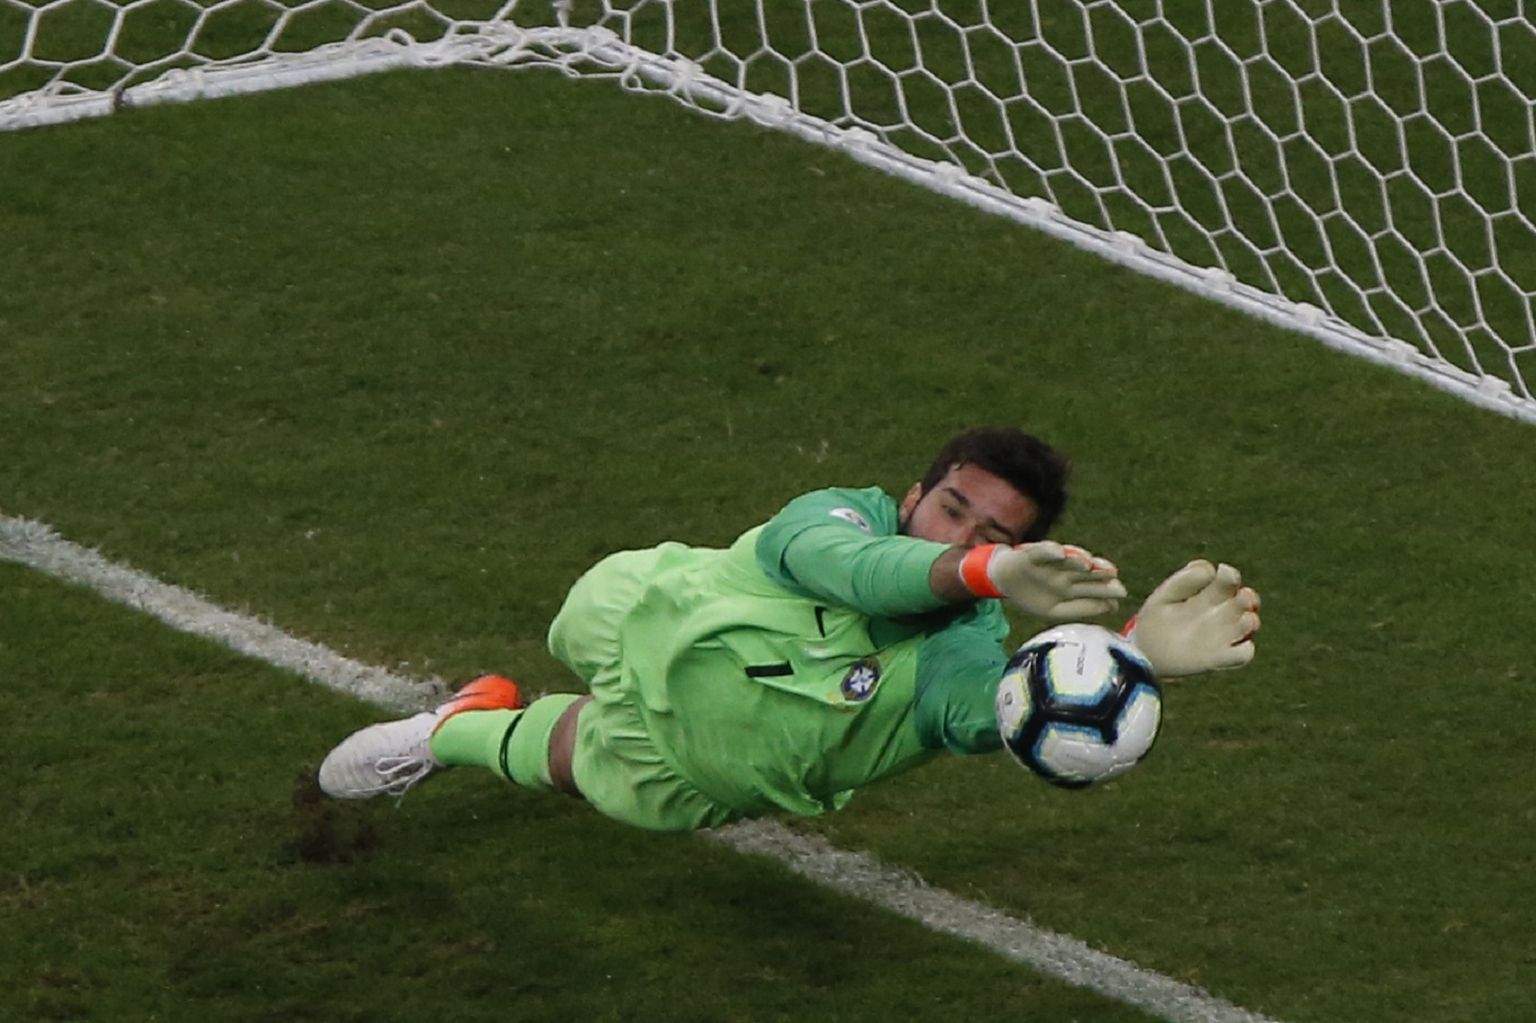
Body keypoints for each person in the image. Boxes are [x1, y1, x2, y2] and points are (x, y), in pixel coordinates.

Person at [318, 426, 1260, 830]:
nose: (960, 537)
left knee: (572, 763)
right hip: (637, 620)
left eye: (993, 535)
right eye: (952, 508)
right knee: (580, 618)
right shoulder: (837, 517)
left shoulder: (961, 645)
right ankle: (478, 717)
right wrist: (981, 569)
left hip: (691, 760)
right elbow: (852, 568)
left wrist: (1132, 658)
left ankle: (455, 727)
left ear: (1027, 552)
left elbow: (986, 709)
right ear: (914, 493)